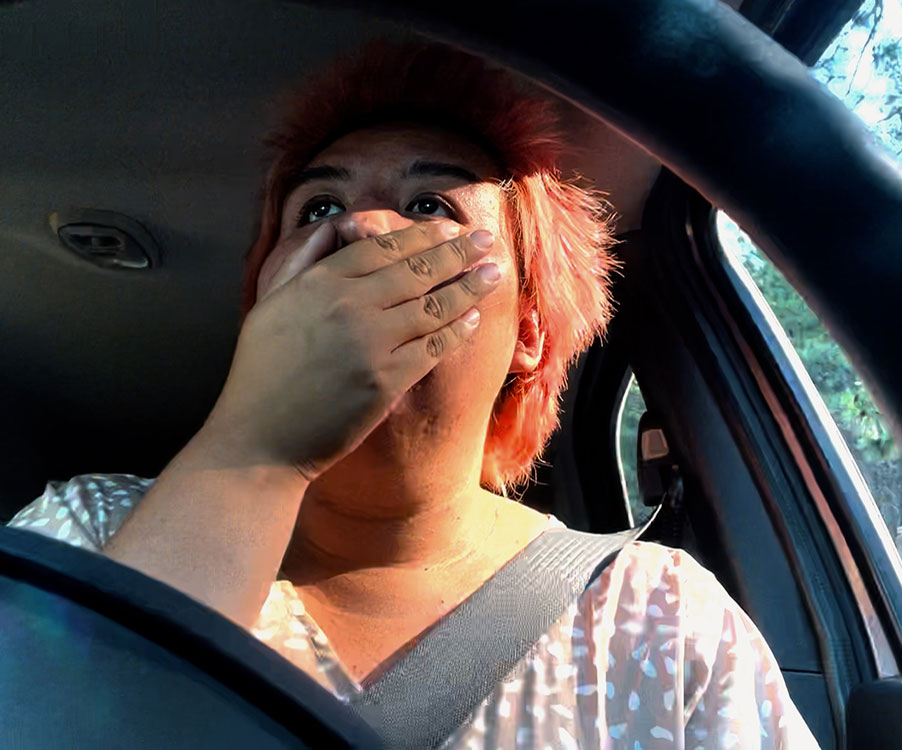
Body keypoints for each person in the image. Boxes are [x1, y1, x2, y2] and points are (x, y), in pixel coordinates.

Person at [7, 38, 820, 748]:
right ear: (267, 303)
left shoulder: (659, 619)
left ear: (528, 329)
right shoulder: (85, 533)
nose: (359, 230)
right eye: (318, 206)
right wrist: (257, 447)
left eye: (430, 205)